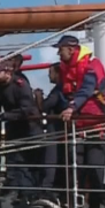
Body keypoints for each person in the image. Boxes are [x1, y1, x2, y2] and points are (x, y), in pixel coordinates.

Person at [54, 34, 105, 208]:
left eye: (60, 49)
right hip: (76, 126)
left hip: (96, 124)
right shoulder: (65, 68)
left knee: (94, 166)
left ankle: (94, 207)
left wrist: (71, 107)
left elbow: (86, 89)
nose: (58, 53)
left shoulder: (92, 65)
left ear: (71, 49)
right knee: (74, 167)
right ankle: (73, 205)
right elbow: (63, 92)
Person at [0, 61, 41, 206]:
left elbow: (27, 109)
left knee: (25, 162)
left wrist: (4, 116)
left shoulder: (20, 85)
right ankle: (16, 193)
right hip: (13, 128)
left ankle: (27, 195)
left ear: (8, 73)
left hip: (29, 128)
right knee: (13, 160)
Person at [38, 63, 68, 201]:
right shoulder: (61, 89)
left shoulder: (58, 90)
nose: (48, 75)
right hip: (60, 130)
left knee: (51, 159)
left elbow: (44, 106)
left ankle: (48, 189)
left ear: (57, 73)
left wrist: (38, 97)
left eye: (50, 72)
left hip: (55, 130)